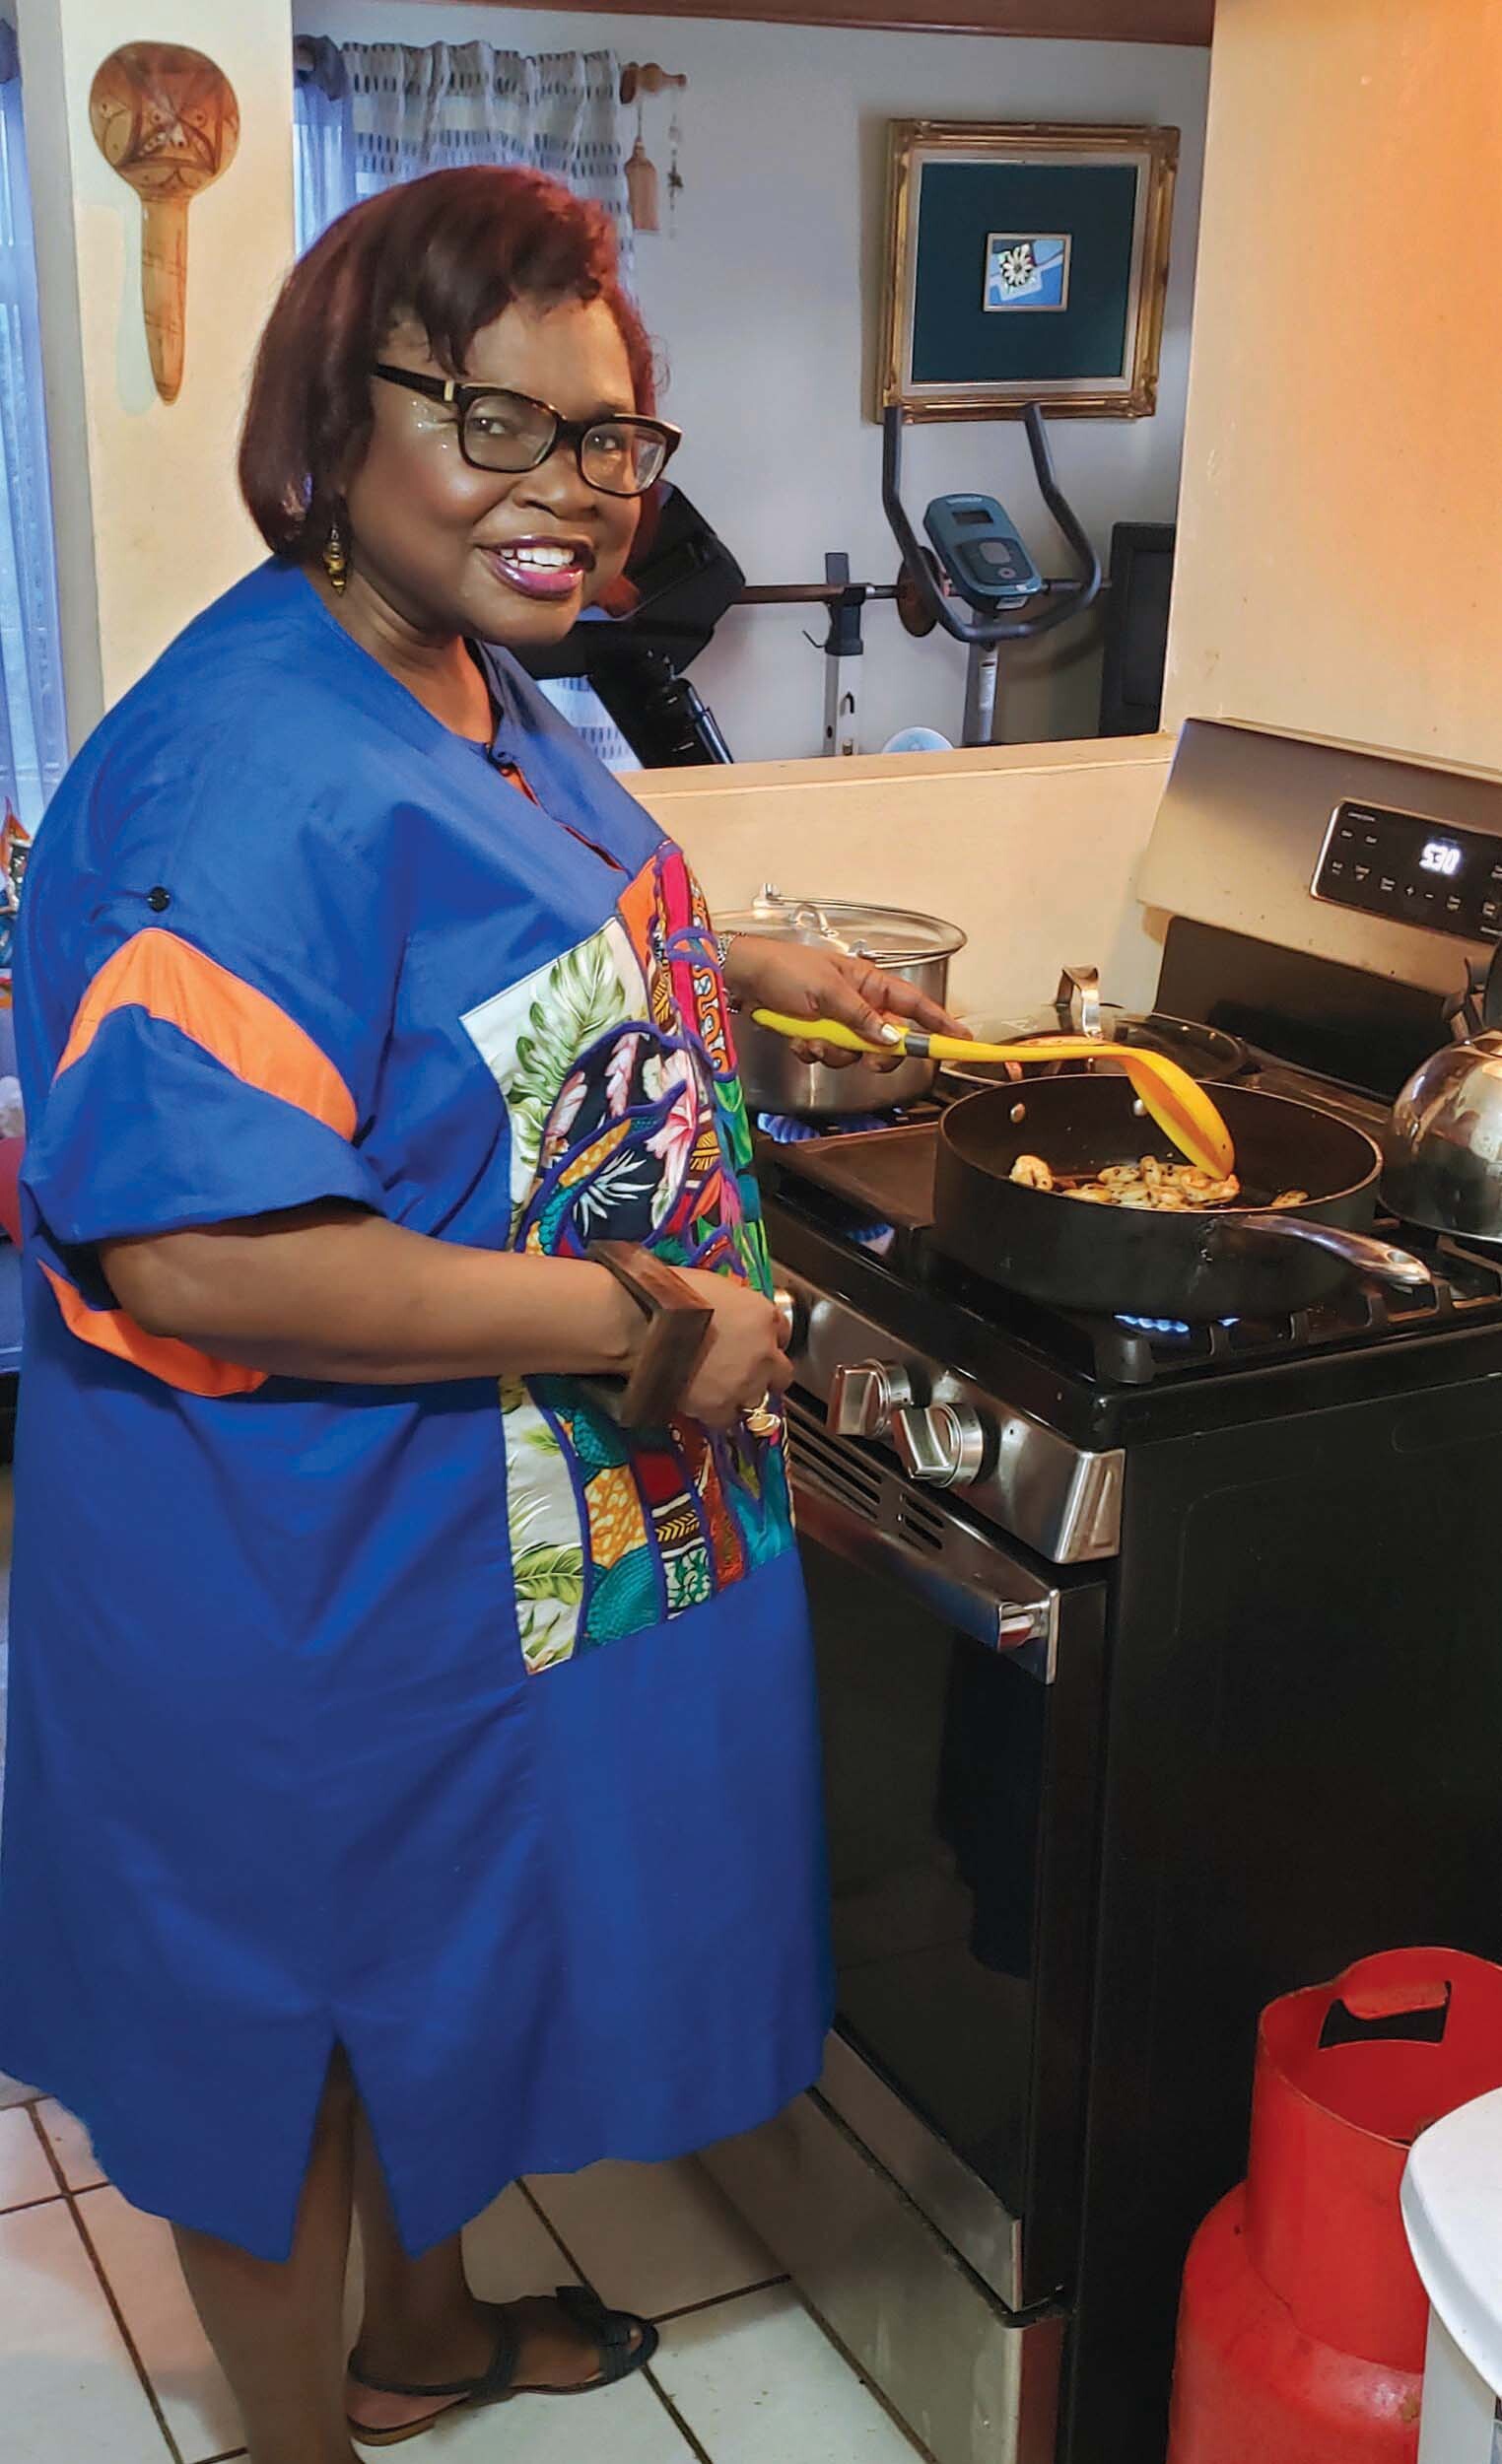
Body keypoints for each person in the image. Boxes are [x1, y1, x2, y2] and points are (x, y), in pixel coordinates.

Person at [0, 168, 963, 2464]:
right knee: (290, 2019)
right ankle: (300, 2436)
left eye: (612, 439)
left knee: (417, 1951)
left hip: (449, 1521)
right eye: (500, 427)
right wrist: (647, 1312)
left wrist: (734, 962)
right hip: (282, 1550)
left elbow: (466, 927)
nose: (574, 499)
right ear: (339, 424)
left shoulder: (453, 660)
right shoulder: (234, 770)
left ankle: (415, 2332)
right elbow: (194, 1248)